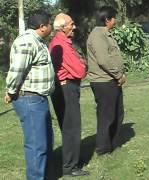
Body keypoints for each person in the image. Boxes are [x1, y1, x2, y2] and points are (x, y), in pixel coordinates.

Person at [4, 10, 54, 180]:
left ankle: (43, 176)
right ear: (42, 27)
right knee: (36, 146)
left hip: (39, 99)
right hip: (30, 99)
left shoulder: (37, 41)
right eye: (50, 24)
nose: (51, 27)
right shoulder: (27, 42)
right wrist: (11, 91)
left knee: (45, 142)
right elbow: (17, 70)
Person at [49, 13, 88, 176]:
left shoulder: (59, 42)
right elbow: (80, 71)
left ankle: (70, 162)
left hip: (62, 88)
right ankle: (70, 166)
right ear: (63, 27)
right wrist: (83, 65)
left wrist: (80, 64)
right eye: (71, 24)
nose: (74, 26)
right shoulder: (62, 44)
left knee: (68, 126)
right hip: (66, 89)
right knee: (71, 127)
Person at [86, 6, 126, 155]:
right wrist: (119, 75)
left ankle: (114, 143)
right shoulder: (97, 35)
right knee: (106, 116)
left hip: (112, 80)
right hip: (104, 82)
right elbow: (104, 60)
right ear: (107, 19)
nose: (115, 20)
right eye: (114, 17)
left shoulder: (106, 34)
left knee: (117, 113)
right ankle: (103, 148)